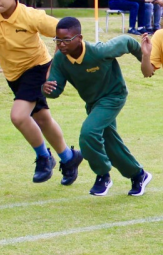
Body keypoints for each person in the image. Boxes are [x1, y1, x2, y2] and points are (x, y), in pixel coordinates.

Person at [0, 0, 81, 185]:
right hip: (13, 74)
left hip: (37, 68)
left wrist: (52, 70)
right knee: (42, 118)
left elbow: (65, 33)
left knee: (19, 116)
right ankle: (69, 158)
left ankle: (43, 158)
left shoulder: (30, 15)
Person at [43, 18, 152, 197]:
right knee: (111, 144)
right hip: (93, 103)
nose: (61, 44)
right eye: (58, 40)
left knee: (88, 133)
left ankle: (103, 175)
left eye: (66, 39)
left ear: (79, 38)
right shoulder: (61, 60)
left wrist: (145, 59)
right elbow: (55, 90)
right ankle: (138, 175)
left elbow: (127, 41)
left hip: (114, 96)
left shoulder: (100, 51)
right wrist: (46, 89)